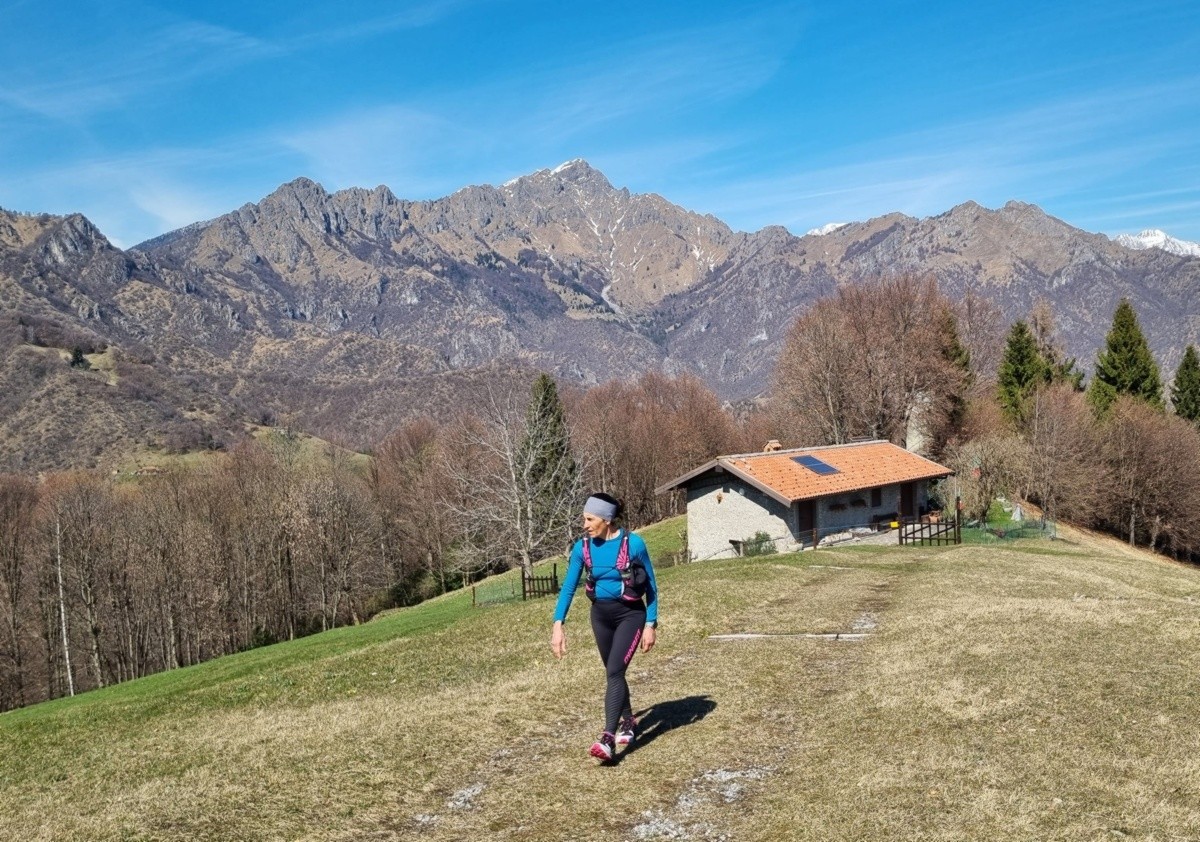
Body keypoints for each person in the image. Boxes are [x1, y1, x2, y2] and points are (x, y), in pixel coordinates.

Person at [551, 492, 659, 761]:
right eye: (584, 519)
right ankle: (628, 721)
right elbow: (567, 587)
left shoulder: (634, 544)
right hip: (600, 616)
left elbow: (652, 588)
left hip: (630, 616)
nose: (585, 525)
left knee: (613, 671)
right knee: (615, 672)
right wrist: (558, 624)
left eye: (590, 519)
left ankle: (608, 739)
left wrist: (650, 624)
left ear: (607, 519)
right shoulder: (582, 548)